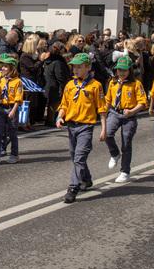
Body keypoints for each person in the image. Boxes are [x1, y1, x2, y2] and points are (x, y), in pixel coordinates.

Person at [55, 53, 107, 204]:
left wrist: (104, 129)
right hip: (72, 126)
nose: (75, 70)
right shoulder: (70, 85)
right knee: (74, 156)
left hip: (86, 126)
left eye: (79, 67)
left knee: (79, 157)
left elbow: (101, 109)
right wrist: (60, 117)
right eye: (74, 67)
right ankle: (86, 178)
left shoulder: (95, 85)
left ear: (88, 67)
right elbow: (64, 104)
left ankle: (73, 188)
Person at [104, 56, 147, 184]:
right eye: (119, 70)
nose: (121, 73)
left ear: (130, 70)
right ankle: (114, 153)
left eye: (124, 70)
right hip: (115, 112)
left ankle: (125, 171)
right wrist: (103, 113)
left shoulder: (136, 84)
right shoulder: (112, 82)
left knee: (126, 142)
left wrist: (132, 111)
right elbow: (108, 100)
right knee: (107, 133)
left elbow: (142, 102)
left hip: (129, 115)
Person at [0, 53, 23, 165]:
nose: (2, 68)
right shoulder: (1, 79)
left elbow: (18, 98)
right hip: (1, 108)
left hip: (12, 108)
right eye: (2, 66)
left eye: (5, 66)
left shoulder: (17, 81)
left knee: (12, 132)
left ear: (11, 68)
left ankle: (14, 155)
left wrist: (13, 111)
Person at [42, 41, 70, 126]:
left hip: (49, 84)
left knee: (52, 103)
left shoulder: (48, 60)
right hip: (56, 86)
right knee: (55, 103)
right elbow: (60, 76)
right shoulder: (58, 62)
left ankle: (50, 120)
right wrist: (64, 85)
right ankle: (52, 120)